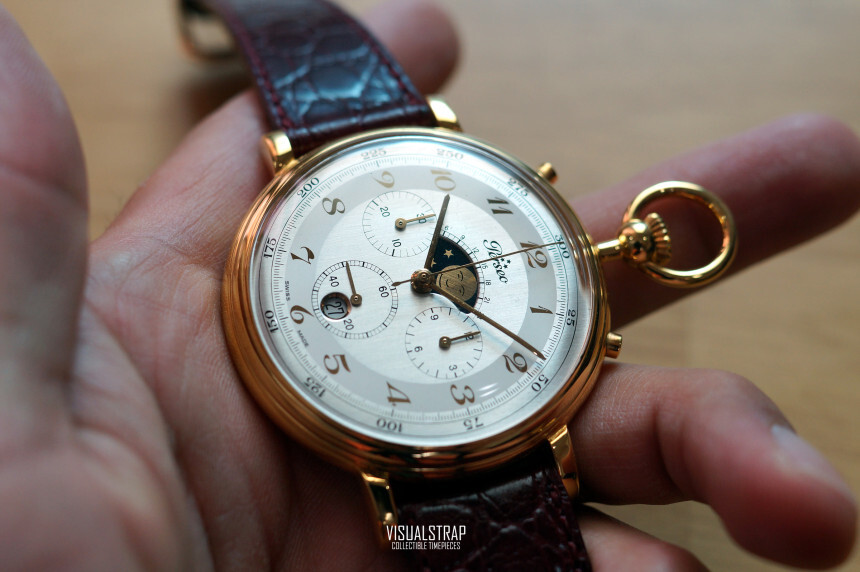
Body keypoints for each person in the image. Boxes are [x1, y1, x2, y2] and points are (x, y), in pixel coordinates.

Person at [0, 0, 856, 569]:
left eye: (434, 272)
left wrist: (421, 531)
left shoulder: (420, 519)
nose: (420, 276)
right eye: (429, 271)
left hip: (452, 464)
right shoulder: (401, 509)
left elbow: (422, 529)